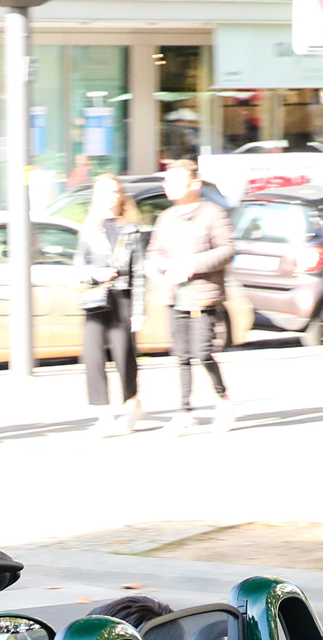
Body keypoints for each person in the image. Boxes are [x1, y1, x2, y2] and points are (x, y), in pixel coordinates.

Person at [146, 162, 235, 434]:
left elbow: (228, 249)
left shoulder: (212, 213)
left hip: (202, 296)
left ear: (194, 185)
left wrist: (193, 265)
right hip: (176, 296)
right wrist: (166, 268)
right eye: (166, 182)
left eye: (174, 181)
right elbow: (154, 253)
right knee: (182, 356)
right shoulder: (167, 217)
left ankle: (224, 401)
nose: (167, 187)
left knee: (203, 352)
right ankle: (184, 411)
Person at [75, 174, 144, 437]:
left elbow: (139, 274)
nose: (111, 196)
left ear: (121, 195)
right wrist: (94, 274)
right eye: (104, 192)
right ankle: (104, 414)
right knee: (92, 357)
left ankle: (133, 403)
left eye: (115, 191)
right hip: (96, 299)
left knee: (124, 356)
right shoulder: (89, 228)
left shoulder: (131, 230)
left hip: (122, 298)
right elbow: (77, 269)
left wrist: (138, 312)